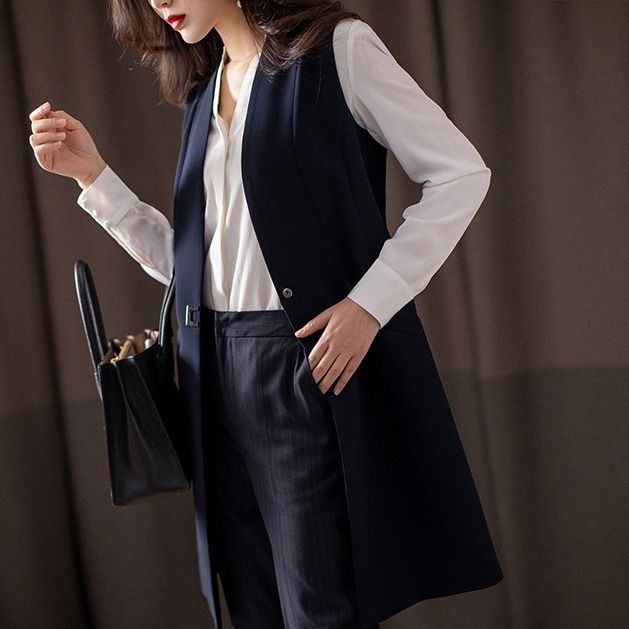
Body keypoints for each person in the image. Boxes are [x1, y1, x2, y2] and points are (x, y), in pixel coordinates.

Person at [28, 1, 503, 628]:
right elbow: (194, 270)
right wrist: (93, 178)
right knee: (251, 606)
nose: (159, 2)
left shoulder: (337, 50)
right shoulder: (205, 91)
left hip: (296, 367)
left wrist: (370, 303)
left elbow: (460, 173)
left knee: (320, 609)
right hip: (209, 377)